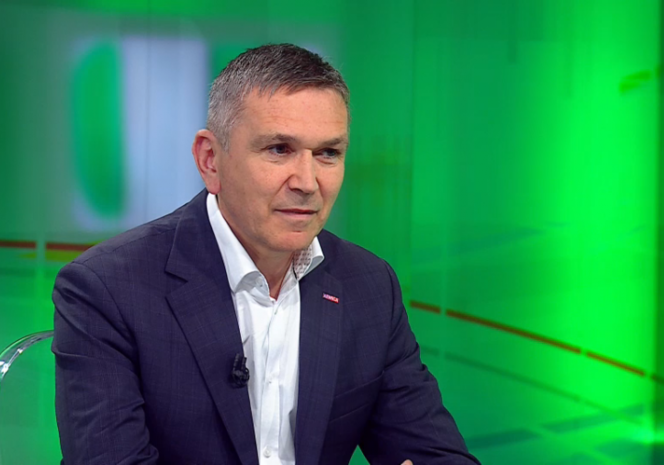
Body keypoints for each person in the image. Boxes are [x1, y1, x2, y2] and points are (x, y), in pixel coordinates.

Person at [53, 43, 479, 465]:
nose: (307, 182)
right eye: (279, 149)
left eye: (328, 153)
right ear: (210, 160)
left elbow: (437, 455)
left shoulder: (368, 285)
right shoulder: (109, 288)